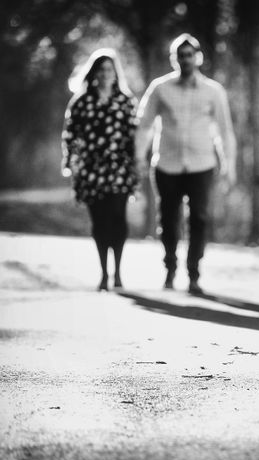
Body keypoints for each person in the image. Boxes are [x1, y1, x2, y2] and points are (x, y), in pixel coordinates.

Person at [135, 33, 236, 294]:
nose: (186, 60)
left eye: (190, 55)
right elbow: (144, 125)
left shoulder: (213, 91)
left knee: (199, 218)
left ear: (198, 58)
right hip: (166, 164)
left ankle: (193, 273)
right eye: (181, 55)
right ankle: (170, 268)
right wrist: (138, 157)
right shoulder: (160, 88)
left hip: (202, 164)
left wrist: (229, 165)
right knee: (168, 219)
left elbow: (225, 131)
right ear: (174, 59)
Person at [61, 48, 138, 291]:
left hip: (119, 169)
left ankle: (119, 271)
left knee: (118, 219)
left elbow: (134, 137)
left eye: (109, 70)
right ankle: (104, 272)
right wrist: (70, 163)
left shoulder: (126, 102)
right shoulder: (81, 102)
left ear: (115, 74)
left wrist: (137, 165)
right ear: (94, 73)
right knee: (100, 222)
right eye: (101, 70)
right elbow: (70, 135)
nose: (105, 74)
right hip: (91, 170)